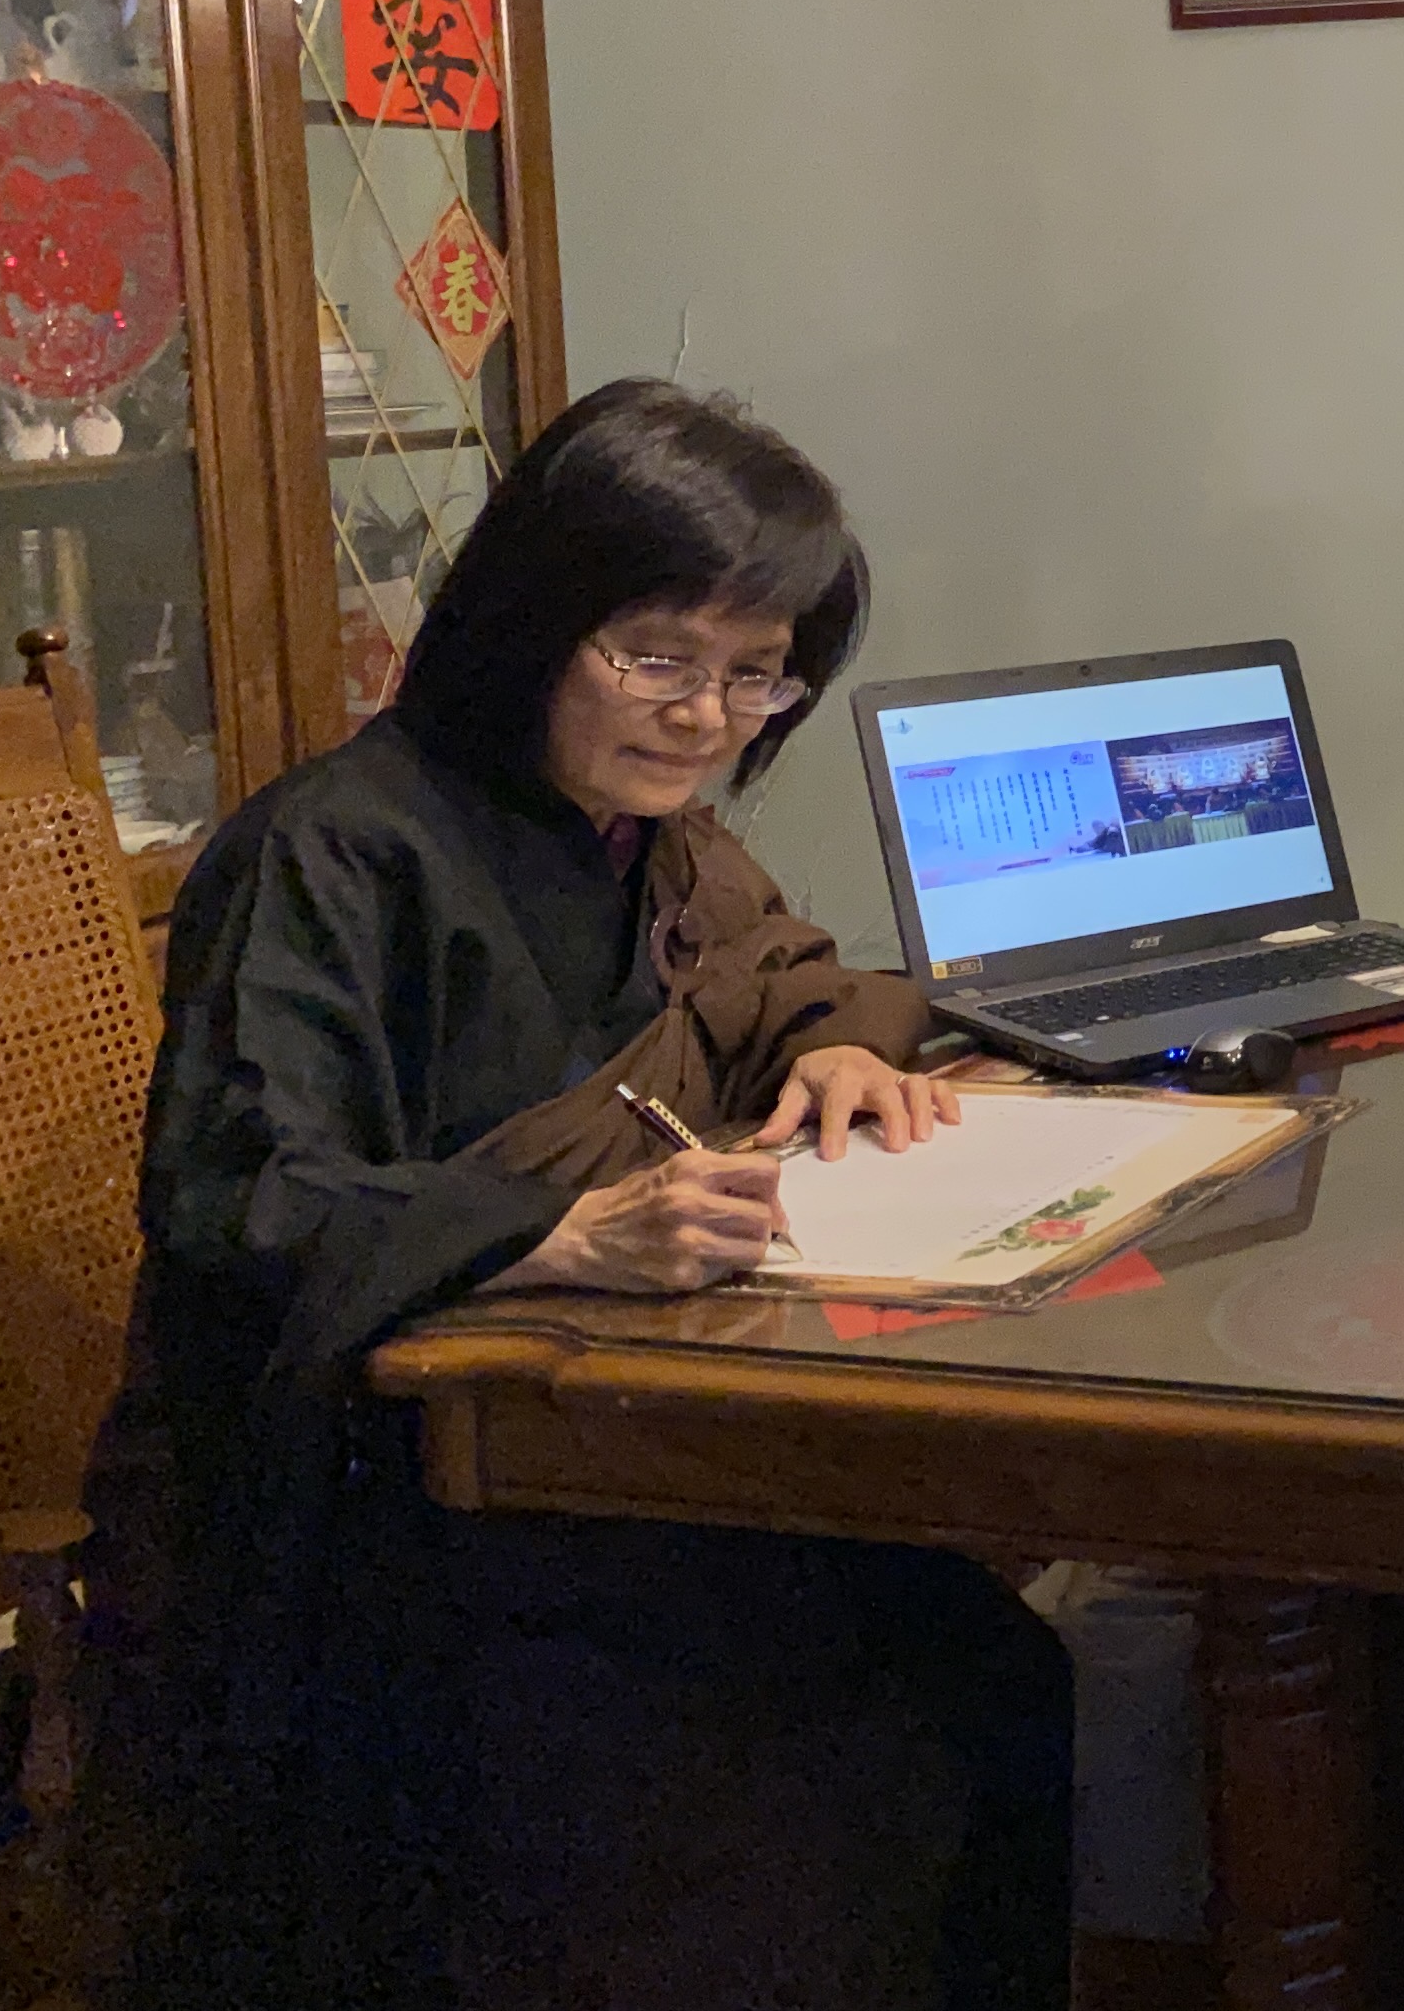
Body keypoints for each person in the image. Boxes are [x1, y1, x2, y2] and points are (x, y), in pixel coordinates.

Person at [82, 379, 1070, 2011]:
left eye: (754, 673)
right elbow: (244, 1193)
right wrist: (556, 1229)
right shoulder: (331, 852)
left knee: (989, 1666)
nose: (705, 717)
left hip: (619, 1448)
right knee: (815, 1763)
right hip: (388, 1505)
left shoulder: (642, 833)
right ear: (533, 617)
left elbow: (779, 971)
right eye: (656, 655)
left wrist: (833, 1047)